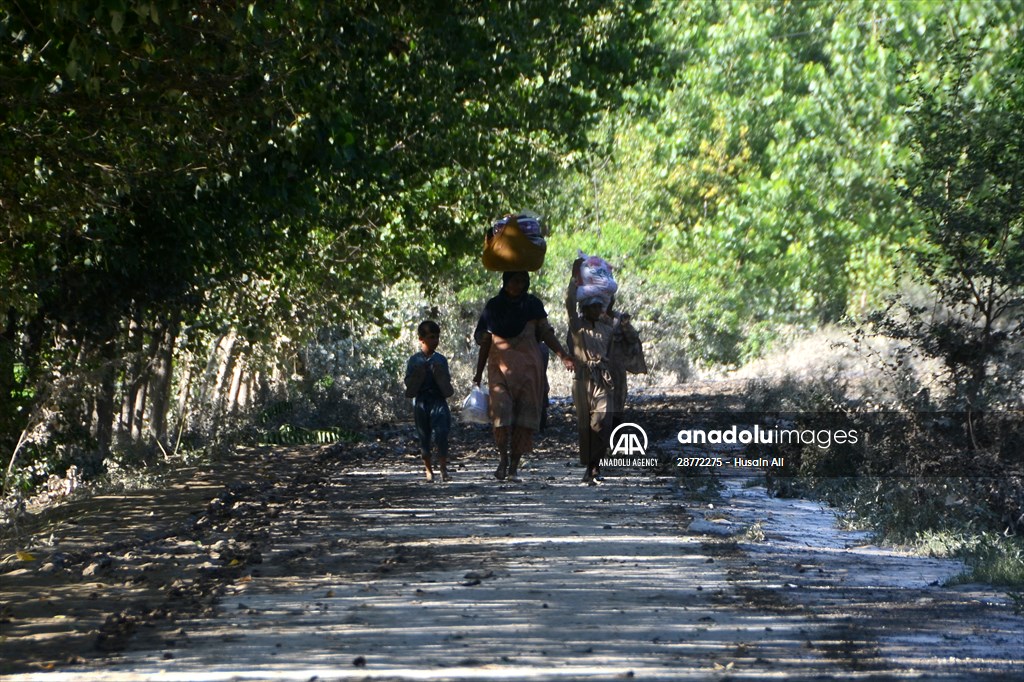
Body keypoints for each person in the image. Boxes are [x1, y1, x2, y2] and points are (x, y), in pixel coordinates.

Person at [473, 271, 574, 482]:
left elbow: (546, 333)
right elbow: (484, 341)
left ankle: (514, 467)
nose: (518, 285)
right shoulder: (494, 307)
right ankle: (502, 459)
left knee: (523, 420)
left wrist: (563, 355)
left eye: (522, 281)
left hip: (529, 370)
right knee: (501, 414)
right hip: (498, 369)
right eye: (514, 280)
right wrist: (478, 373)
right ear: (505, 281)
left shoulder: (532, 305)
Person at [566, 258, 616, 485]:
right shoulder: (577, 327)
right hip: (583, 378)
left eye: (600, 306)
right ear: (586, 307)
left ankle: (596, 465)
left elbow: (612, 302)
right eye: (594, 306)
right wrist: (575, 277)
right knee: (586, 425)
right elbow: (569, 304)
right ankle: (590, 467)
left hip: (603, 379)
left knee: (603, 422)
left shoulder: (606, 326)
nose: (599, 309)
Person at [404, 320, 455, 482]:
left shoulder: (441, 360)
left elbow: (447, 389)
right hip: (421, 402)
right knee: (424, 436)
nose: (435, 341)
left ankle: (443, 469)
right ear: (421, 339)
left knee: (442, 434)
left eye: (437, 337)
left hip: (438, 400)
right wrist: (419, 375)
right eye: (432, 337)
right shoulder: (414, 361)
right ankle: (428, 470)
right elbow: (409, 389)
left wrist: (439, 375)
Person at [605, 294, 645, 431]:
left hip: (616, 366)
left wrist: (625, 325)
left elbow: (633, 338)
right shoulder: (592, 320)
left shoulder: (619, 319)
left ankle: (615, 427)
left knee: (619, 395)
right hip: (599, 366)